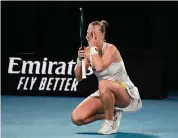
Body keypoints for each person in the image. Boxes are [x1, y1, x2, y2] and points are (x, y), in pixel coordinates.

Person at [71, 20, 142, 134]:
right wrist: (79, 60)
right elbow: (80, 77)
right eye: (89, 34)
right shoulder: (88, 52)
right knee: (77, 118)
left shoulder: (111, 49)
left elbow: (99, 68)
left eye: (94, 35)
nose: (91, 38)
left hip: (124, 92)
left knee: (104, 83)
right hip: (105, 92)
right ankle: (111, 114)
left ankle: (109, 123)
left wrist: (93, 48)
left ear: (103, 35)